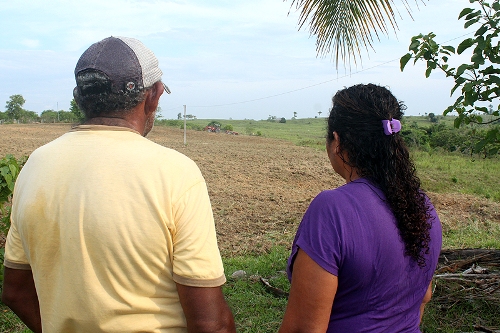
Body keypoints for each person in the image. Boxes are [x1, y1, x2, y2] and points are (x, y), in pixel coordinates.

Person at [2, 36, 236, 333]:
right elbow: (210, 324)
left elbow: (15, 292)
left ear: (79, 98)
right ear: (154, 95)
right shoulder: (176, 173)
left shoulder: (35, 165)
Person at [279, 84, 442, 333]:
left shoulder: (332, 210)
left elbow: (303, 328)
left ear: (336, 141)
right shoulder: (422, 205)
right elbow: (423, 298)